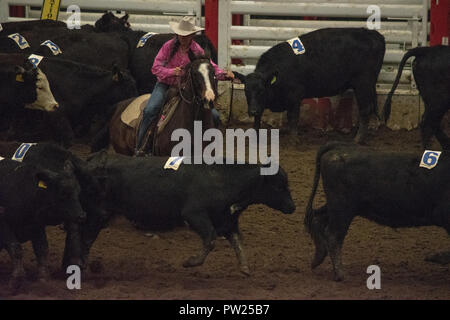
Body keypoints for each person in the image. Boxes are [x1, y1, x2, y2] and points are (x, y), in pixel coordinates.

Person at [136, 16, 234, 154]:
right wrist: (171, 72)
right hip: (165, 85)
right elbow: (155, 67)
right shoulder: (168, 46)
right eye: (181, 34)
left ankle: (210, 146)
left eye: (187, 35)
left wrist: (224, 74)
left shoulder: (196, 49)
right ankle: (141, 146)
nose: (183, 38)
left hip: (186, 88)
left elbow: (208, 66)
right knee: (150, 110)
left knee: (214, 116)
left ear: (192, 35)